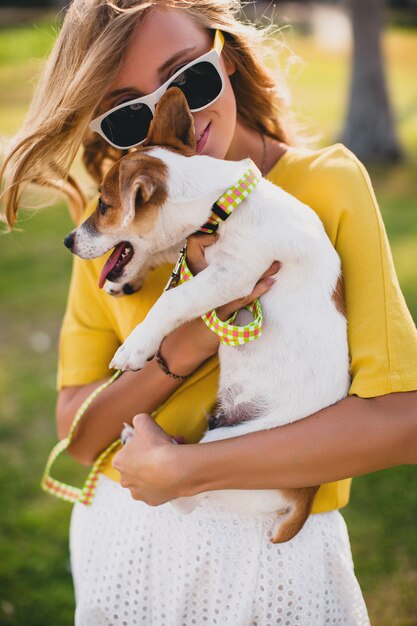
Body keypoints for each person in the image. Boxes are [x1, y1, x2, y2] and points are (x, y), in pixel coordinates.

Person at [2, 1, 417, 624]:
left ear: (226, 56)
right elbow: (80, 437)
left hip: (271, 550)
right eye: (124, 115)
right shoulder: (118, 228)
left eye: (190, 79)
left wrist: (187, 469)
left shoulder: (324, 187)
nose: (180, 115)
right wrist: (192, 340)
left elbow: (401, 420)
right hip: (125, 540)